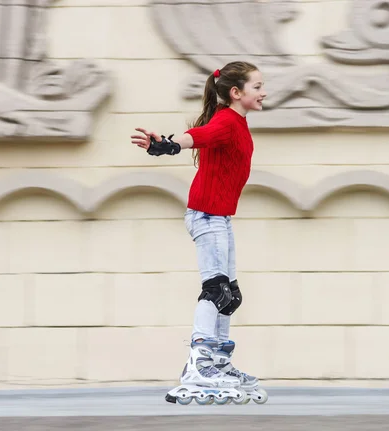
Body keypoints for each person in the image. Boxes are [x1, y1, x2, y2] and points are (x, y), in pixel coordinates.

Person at [130, 61, 268, 405]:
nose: (264, 92)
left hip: (218, 217)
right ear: (236, 93)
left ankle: (218, 363)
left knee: (230, 295)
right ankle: (199, 365)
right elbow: (199, 136)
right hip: (207, 215)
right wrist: (167, 144)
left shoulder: (236, 122)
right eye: (257, 86)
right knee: (216, 290)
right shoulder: (226, 121)